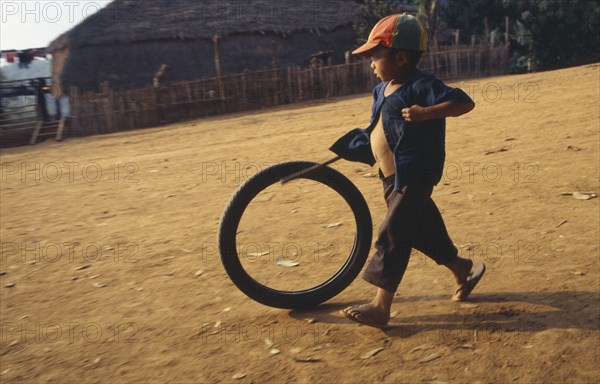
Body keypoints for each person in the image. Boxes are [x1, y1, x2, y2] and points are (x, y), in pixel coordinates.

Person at [330, 14, 485, 328]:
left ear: (400, 58)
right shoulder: (381, 91)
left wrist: (426, 113)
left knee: (394, 233)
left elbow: (463, 102)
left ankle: (380, 306)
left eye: (376, 55)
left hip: (414, 174)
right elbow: (379, 127)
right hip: (391, 179)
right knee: (422, 231)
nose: (371, 62)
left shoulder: (422, 86)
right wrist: (355, 146)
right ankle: (462, 268)